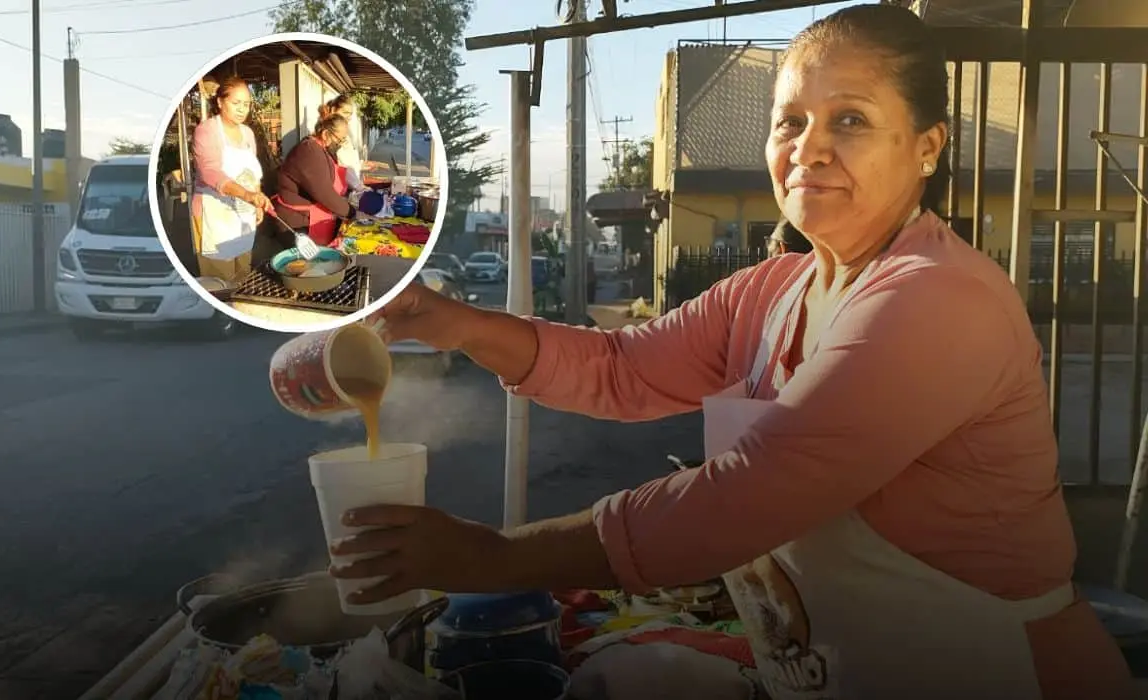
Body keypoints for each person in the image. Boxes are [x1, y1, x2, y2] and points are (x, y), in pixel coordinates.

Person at [329, 5, 1133, 699]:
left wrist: (490, 556)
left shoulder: (936, 298)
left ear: (927, 146)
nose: (809, 148)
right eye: (791, 121)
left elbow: (742, 498)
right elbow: (622, 368)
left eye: (849, 119)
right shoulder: (772, 289)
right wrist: (450, 321)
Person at [190, 76, 270, 280]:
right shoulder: (207, 130)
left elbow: (253, 172)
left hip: (243, 213)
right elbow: (210, 171)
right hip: (215, 214)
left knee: (242, 272)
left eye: (246, 104)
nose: (242, 109)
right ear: (220, 102)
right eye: (236, 103)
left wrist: (257, 201)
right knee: (219, 278)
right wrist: (247, 195)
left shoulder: (248, 133)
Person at [264, 114, 357, 258]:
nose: (340, 144)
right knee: (304, 267)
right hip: (297, 223)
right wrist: (351, 212)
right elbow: (325, 194)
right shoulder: (308, 151)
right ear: (326, 134)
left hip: (310, 217)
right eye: (339, 140)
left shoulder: (320, 148)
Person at [320, 94, 366, 192]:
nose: (348, 117)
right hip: (341, 187)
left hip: (351, 185)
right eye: (345, 112)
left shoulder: (344, 131)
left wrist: (360, 164)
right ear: (333, 110)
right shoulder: (331, 135)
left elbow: (348, 159)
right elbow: (342, 164)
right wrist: (359, 187)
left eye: (350, 114)